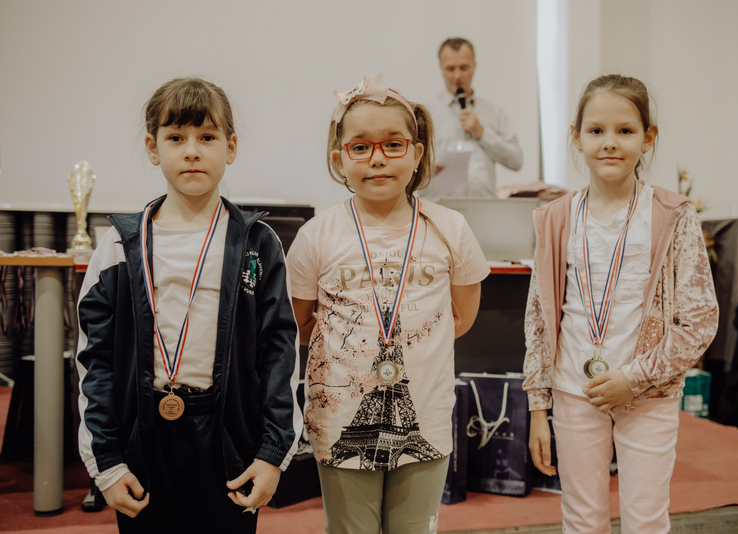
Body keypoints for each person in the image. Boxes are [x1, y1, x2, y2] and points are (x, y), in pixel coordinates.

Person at [76, 77, 302, 533]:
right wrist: (107, 462)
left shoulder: (257, 243)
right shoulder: (120, 245)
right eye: (176, 138)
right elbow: (94, 360)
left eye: (207, 137)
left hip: (229, 437)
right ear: (153, 148)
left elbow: (279, 353)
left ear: (230, 147)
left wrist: (272, 452)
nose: (192, 151)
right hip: (144, 437)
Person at [286, 72, 491, 533]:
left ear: (417, 153)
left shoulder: (450, 228)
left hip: (425, 414)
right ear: (339, 159)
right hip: (340, 416)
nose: (377, 158)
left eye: (393, 145)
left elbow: (460, 317)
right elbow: (301, 325)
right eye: (360, 147)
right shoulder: (316, 236)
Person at [523, 74, 719, 533]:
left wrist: (634, 379)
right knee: (581, 520)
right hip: (573, 390)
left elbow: (699, 321)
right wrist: (537, 407)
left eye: (625, 130)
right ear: (577, 136)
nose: (610, 142)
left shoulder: (672, 215)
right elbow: (538, 318)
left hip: (646, 394)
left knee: (645, 520)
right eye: (596, 130)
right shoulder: (555, 218)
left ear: (648, 138)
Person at [426, 37, 523, 198]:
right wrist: (424, 169)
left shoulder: (494, 112)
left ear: (474, 67)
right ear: (441, 69)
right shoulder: (426, 112)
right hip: (440, 206)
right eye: (450, 69)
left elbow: (516, 161)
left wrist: (482, 134)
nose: (457, 76)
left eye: (464, 67)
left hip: (483, 207)